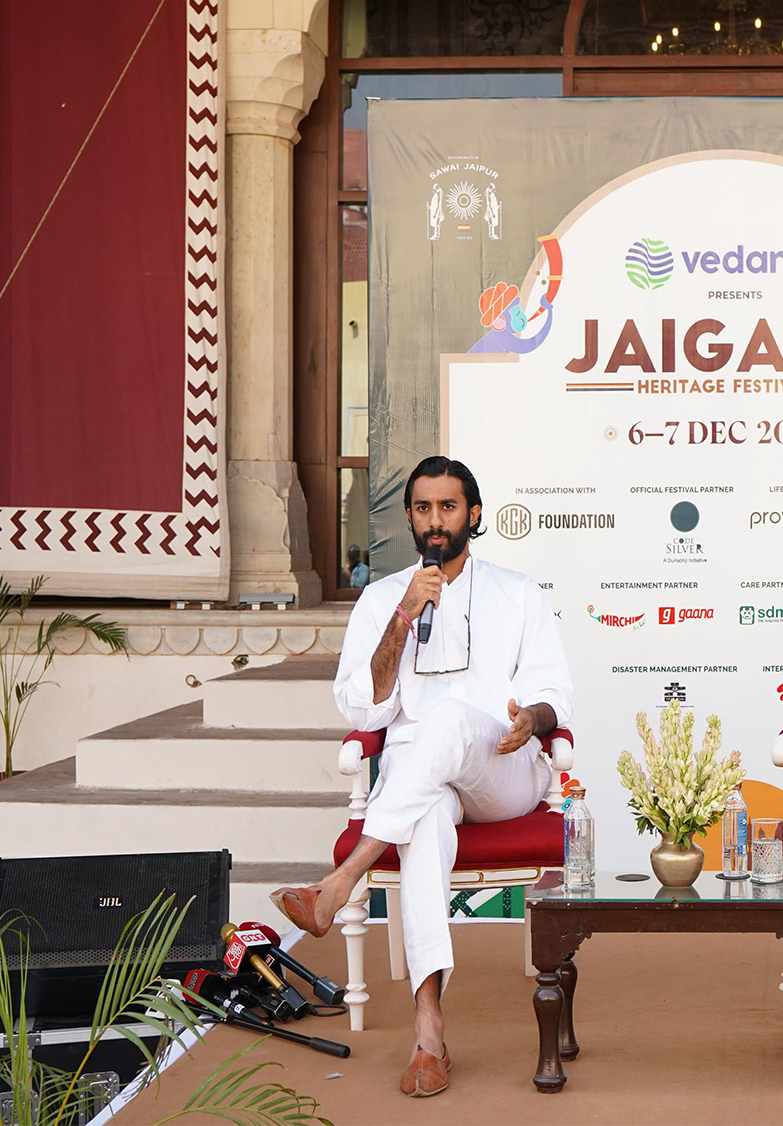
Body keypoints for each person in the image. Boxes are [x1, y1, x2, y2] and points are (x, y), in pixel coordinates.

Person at [270, 456, 571, 1097]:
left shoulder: (518, 592)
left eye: (448, 507)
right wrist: (403, 618)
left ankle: (342, 880)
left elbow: (554, 695)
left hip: (502, 770)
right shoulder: (384, 599)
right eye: (423, 508)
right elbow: (364, 708)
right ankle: (428, 1030)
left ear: (474, 514)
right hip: (421, 782)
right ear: (409, 517)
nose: (436, 520)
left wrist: (533, 720)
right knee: (426, 812)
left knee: (450, 719)